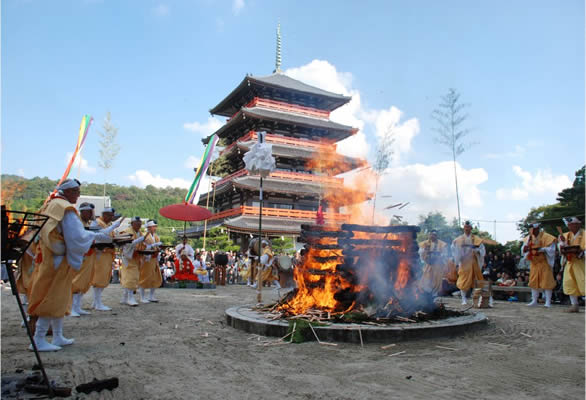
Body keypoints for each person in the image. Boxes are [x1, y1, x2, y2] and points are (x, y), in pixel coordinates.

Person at [27, 179, 120, 351]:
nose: (78, 195)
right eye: (76, 191)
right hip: (57, 258)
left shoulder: (52, 205)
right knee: (52, 297)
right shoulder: (65, 209)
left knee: (60, 296)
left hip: (50, 257)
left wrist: (103, 233)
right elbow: (77, 236)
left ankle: (57, 335)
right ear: (68, 192)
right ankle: (38, 339)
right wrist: (100, 235)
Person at [451, 221, 488, 305]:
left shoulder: (476, 239)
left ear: (471, 228)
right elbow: (454, 248)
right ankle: (463, 299)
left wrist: (476, 250)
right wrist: (456, 247)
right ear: (464, 228)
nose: (467, 229)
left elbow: (482, 249)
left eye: (468, 227)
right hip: (464, 261)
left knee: (476, 280)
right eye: (465, 227)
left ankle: (474, 297)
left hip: (473, 261)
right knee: (463, 280)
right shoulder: (458, 239)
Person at [69, 202, 96, 317]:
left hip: (89, 254)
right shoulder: (77, 222)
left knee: (84, 280)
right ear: (83, 212)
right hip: (80, 255)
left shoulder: (87, 223)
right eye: (89, 212)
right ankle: (71, 308)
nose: (91, 214)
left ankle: (77, 306)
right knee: (76, 280)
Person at [522, 223, 557, 307]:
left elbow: (552, 249)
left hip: (544, 262)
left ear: (538, 228)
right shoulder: (528, 238)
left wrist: (542, 249)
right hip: (534, 263)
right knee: (533, 281)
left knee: (547, 281)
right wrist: (526, 250)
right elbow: (523, 250)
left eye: (534, 229)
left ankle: (548, 301)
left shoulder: (547, 237)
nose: (532, 231)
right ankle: (534, 300)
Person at [90, 207, 117, 311]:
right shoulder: (96, 222)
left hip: (108, 253)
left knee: (104, 277)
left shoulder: (108, 224)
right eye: (110, 216)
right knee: (99, 278)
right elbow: (97, 236)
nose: (111, 218)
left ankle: (96, 301)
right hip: (99, 252)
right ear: (105, 214)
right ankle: (98, 303)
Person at [558, 217, 585, 313]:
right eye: (569, 225)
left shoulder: (584, 234)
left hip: (582, 263)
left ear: (578, 224)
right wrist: (562, 243)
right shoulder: (565, 235)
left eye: (573, 224)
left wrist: (581, 253)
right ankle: (574, 305)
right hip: (570, 262)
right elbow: (561, 249)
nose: (570, 226)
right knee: (570, 283)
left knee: (583, 282)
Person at [120, 217, 146, 306]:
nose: (139, 225)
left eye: (140, 224)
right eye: (137, 224)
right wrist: (137, 241)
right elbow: (126, 244)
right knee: (131, 277)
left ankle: (125, 297)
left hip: (136, 257)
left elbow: (142, 244)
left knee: (133, 277)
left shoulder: (140, 233)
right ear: (132, 224)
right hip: (129, 257)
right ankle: (130, 298)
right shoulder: (127, 231)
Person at [138, 220, 162, 303]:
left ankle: (151, 296)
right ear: (149, 227)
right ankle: (142, 297)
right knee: (144, 277)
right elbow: (142, 247)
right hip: (147, 259)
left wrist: (158, 248)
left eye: (155, 226)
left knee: (154, 277)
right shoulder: (145, 236)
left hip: (154, 258)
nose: (155, 228)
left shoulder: (156, 236)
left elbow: (157, 247)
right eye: (154, 226)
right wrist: (153, 245)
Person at [418, 230, 448, 296]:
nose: (432, 236)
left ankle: (434, 295)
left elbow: (445, 254)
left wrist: (438, 256)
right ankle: (426, 294)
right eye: (430, 235)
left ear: (436, 236)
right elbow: (421, 253)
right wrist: (424, 255)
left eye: (434, 235)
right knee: (426, 279)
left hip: (438, 266)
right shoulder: (425, 243)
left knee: (436, 280)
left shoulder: (442, 244)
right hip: (428, 264)